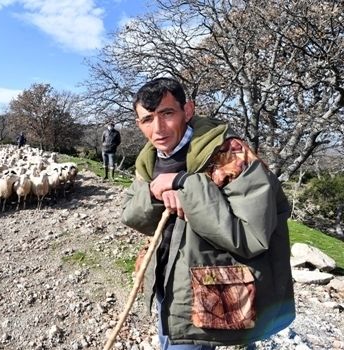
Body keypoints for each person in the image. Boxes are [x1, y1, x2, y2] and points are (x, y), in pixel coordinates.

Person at [120, 78, 295, 348]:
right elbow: (132, 215)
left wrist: (184, 184)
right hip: (168, 288)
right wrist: (155, 192)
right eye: (147, 119)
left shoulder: (232, 156)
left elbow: (251, 236)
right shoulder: (149, 160)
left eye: (167, 113)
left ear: (187, 110)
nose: (158, 129)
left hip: (218, 298)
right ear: (138, 124)